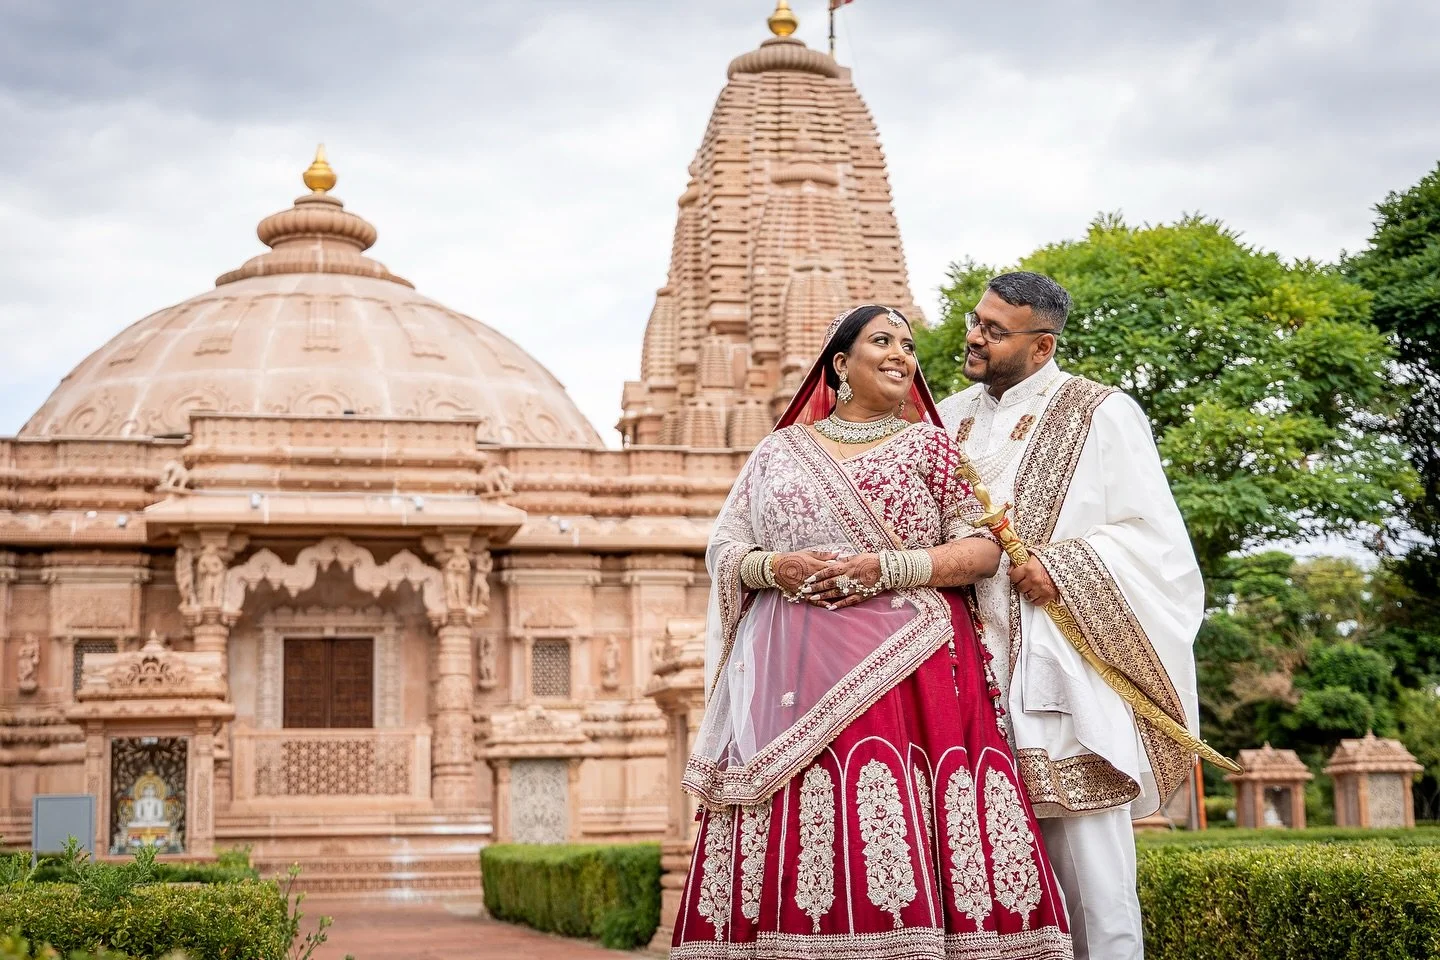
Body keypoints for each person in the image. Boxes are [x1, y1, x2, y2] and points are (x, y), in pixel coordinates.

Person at [671, 304, 1073, 960]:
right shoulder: (778, 452)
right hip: (790, 674)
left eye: (908, 345)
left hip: (912, 671)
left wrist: (888, 569)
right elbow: (726, 549)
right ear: (839, 364)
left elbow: (982, 548)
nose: (900, 355)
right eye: (881, 341)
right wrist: (776, 566)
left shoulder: (930, 445)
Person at [936, 272, 1203, 960]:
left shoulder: (1101, 413)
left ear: (1042, 345)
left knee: (1094, 879)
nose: (974, 335)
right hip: (960, 677)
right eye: (976, 320)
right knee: (976, 877)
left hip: (1063, 677)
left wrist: (1063, 566)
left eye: (994, 331)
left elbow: (1161, 548)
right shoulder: (944, 418)